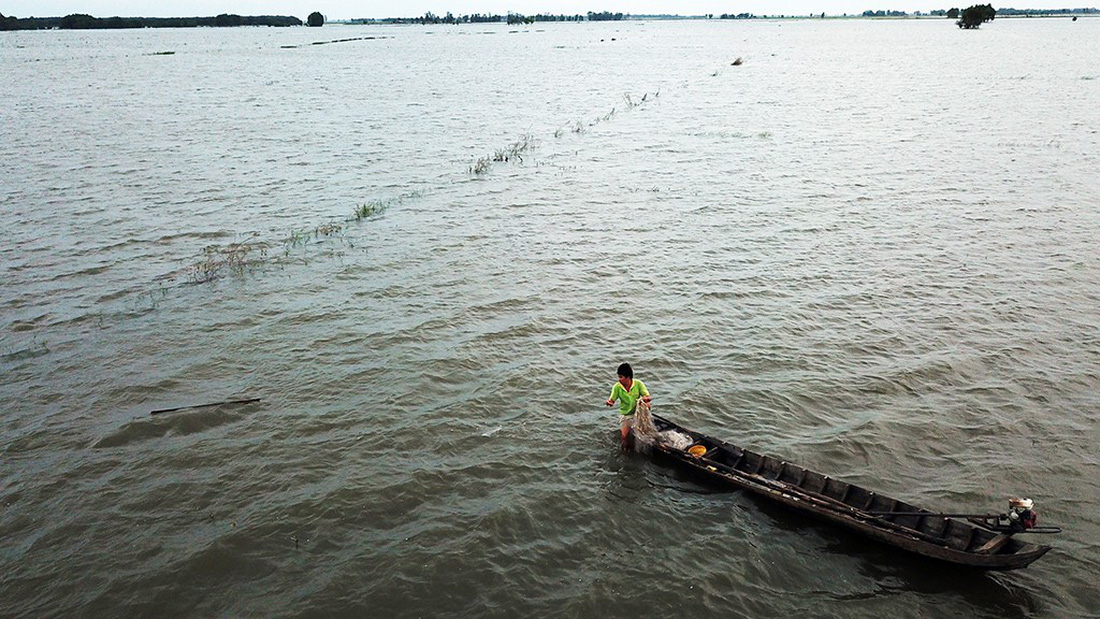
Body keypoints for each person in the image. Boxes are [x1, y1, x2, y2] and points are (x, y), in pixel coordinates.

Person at [605, 362, 651, 447]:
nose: (619, 379)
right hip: (626, 414)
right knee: (624, 437)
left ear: (628, 377)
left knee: (647, 404)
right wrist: (609, 403)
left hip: (638, 413)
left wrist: (644, 399)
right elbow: (612, 400)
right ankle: (625, 451)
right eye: (618, 376)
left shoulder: (638, 384)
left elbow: (648, 397)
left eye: (621, 377)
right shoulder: (617, 387)